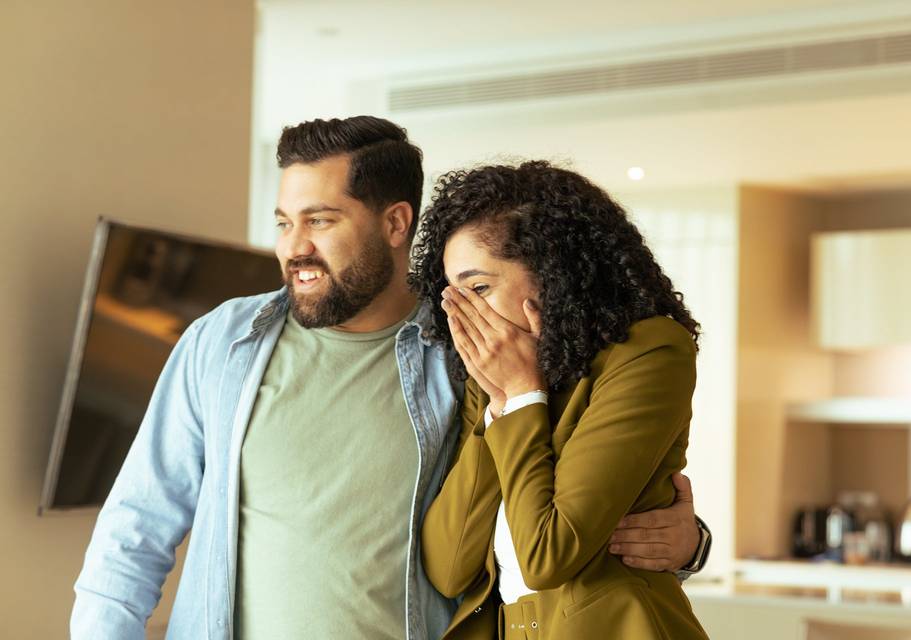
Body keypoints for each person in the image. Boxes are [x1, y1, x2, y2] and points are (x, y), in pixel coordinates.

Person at [71, 117, 708, 640]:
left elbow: (555, 501)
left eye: (319, 221)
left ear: (396, 223)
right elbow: (135, 530)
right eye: (283, 222)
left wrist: (687, 544)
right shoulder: (223, 343)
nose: (294, 247)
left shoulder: (466, 348)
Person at [410, 160, 710, 639]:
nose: (463, 316)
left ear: (553, 275)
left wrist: (525, 397)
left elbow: (547, 555)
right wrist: (503, 402)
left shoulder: (649, 351)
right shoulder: (489, 382)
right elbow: (449, 566)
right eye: (455, 296)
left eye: (480, 288)